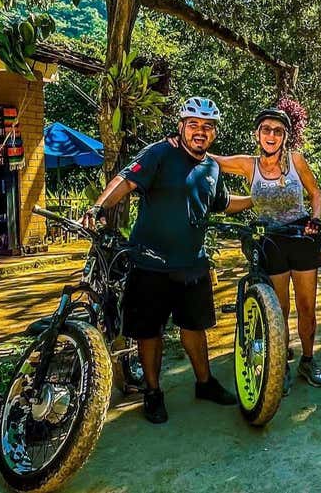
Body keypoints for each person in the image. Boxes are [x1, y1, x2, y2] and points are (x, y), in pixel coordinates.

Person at [81, 97, 252, 424]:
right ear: (181, 127)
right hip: (150, 263)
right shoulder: (160, 153)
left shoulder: (212, 168)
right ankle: (153, 392)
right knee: (149, 332)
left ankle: (205, 383)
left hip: (192, 264)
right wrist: (98, 208)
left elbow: (223, 202)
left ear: (214, 134)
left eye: (207, 127)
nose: (200, 132)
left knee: (195, 328)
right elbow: (125, 180)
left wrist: (259, 198)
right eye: (193, 125)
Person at [175, 106, 321, 395]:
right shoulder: (249, 164)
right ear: (257, 134)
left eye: (278, 131)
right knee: (279, 308)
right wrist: (178, 142)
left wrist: (316, 219)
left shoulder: (296, 161)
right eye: (266, 130)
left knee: (307, 306)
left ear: (285, 136)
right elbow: (207, 157)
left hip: (301, 234)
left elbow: (315, 194)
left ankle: (308, 360)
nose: (272, 135)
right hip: (270, 239)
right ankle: (280, 364)